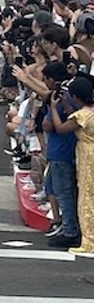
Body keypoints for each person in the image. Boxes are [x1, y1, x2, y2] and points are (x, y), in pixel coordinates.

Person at [49, 73, 94, 254]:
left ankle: (89, 241)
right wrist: (67, 106)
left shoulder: (82, 116)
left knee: (87, 197)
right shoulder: (89, 112)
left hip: (88, 156)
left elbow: (61, 128)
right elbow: (73, 115)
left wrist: (53, 108)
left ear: (75, 97)